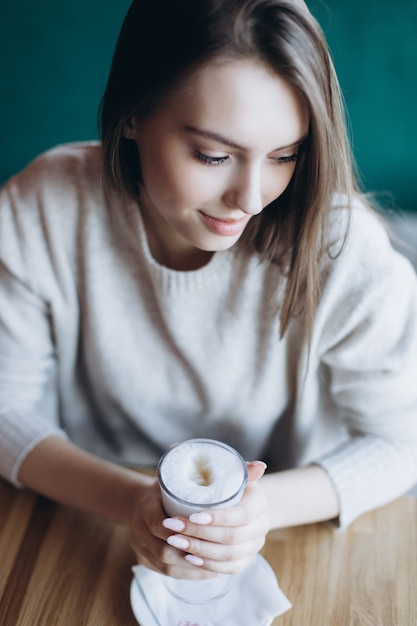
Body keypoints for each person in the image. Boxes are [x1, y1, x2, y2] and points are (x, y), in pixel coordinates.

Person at [1, 0, 416, 582]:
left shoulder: (344, 252)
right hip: (79, 521)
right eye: (214, 155)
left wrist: (256, 511)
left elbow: (401, 443)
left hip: (295, 541)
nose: (249, 197)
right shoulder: (42, 208)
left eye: (284, 156)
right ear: (132, 114)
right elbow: (6, 410)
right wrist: (134, 502)